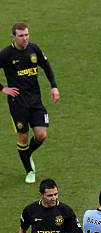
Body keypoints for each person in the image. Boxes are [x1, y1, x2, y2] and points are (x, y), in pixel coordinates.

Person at [0, 23, 60, 184]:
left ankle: (26, 154)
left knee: (41, 135)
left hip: (35, 101)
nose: (25, 38)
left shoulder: (34, 49)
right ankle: (29, 170)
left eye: (27, 35)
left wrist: (54, 86)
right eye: (21, 35)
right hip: (17, 102)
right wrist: (3, 89)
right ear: (14, 36)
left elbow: (46, 66)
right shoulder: (6, 54)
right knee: (24, 136)